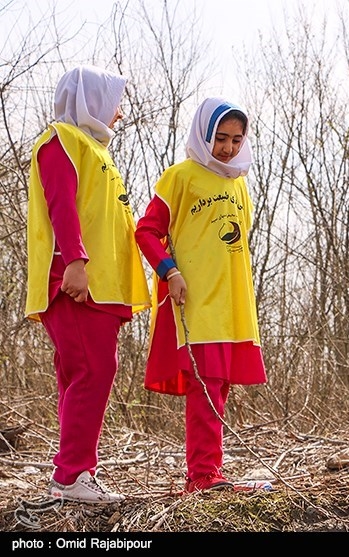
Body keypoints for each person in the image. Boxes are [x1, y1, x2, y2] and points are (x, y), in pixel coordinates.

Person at [26, 65, 151, 503]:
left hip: (103, 286)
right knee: (93, 369)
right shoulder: (62, 139)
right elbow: (61, 203)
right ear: (92, 101)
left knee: (79, 372)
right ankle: (71, 475)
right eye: (114, 102)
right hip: (77, 281)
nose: (118, 114)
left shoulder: (97, 150)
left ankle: (73, 472)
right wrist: (76, 261)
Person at [135, 97, 267, 494]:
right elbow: (146, 231)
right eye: (220, 138)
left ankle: (212, 470)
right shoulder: (181, 176)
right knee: (206, 384)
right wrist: (168, 270)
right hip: (196, 299)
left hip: (233, 301)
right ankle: (203, 476)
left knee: (221, 384)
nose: (228, 148)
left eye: (236, 140)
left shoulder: (239, 183)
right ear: (204, 134)